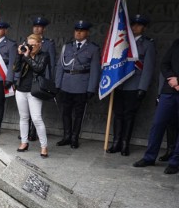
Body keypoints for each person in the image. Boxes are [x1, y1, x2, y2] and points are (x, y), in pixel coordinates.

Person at [106, 14, 156, 156]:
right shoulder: (122, 41)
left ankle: (124, 144)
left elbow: (148, 68)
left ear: (144, 28)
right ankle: (115, 142)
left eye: (139, 25)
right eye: (133, 24)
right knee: (118, 114)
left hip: (135, 85)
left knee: (129, 115)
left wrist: (142, 87)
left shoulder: (147, 44)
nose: (135, 27)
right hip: (119, 83)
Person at [133, 38, 179, 174]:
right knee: (158, 124)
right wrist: (173, 80)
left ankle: (175, 162)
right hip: (169, 91)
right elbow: (164, 64)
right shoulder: (176, 43)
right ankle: (149, 157)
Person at [54, 20, 101, 149]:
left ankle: (75, 137)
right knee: (66, 112)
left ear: (87, 32)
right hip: (66, 84)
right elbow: (60, 66)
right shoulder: (67, 46)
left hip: (82, 85)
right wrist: (58, 84)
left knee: (79, 114)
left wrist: (91, 88)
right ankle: (66, 136)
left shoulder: (93, 48)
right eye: (76, 30)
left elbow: (95, 70)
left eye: (81, 31)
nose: (78, 33)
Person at [13, 34, 51, 157]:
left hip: (35, 91)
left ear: (40, 44)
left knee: (36, 119)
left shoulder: (44, 55)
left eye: (33, 45)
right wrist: (19, 55)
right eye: (29, 44)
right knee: (23, 118)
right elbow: (16, 69)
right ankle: (24, 142)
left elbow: (39, 69)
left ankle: (44, 146)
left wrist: (27, 56)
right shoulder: (24, 54)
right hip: (21, 89)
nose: (31, 47)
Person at [20, 17, 56, 141]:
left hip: (39, 80)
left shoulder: (48, 44)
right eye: (35, 26)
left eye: (39, 26)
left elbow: (50, 65)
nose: (36, 28)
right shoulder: (27, 42)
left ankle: (33, 132)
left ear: (43, 29)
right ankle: (26, 132)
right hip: (25, 81)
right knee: (25, 112)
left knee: (36, 113)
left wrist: (48, 81)